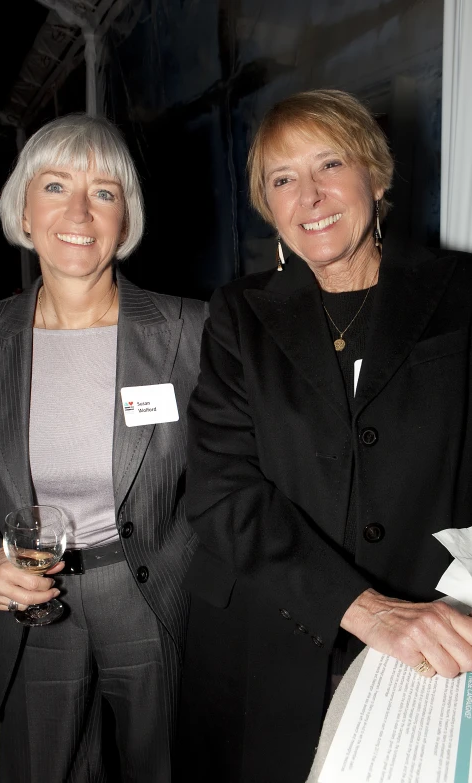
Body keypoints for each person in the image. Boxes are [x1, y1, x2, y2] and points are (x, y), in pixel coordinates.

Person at [176, 89, 472, 783]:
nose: (309, 195)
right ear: (269, 208)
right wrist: (365, 609)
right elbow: (220, 492)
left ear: (375, 174)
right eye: (282, 179)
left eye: (329, 164)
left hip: (425, 638)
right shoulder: (240, 315)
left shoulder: (460, 292)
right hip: (265, 636)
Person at [0, 113, 207, 782]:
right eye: (56, 185)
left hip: (152, 596)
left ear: (125, 218)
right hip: (34, 602)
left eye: (104, 192)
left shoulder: (190, 329)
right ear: (24, 210)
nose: (79, 211)